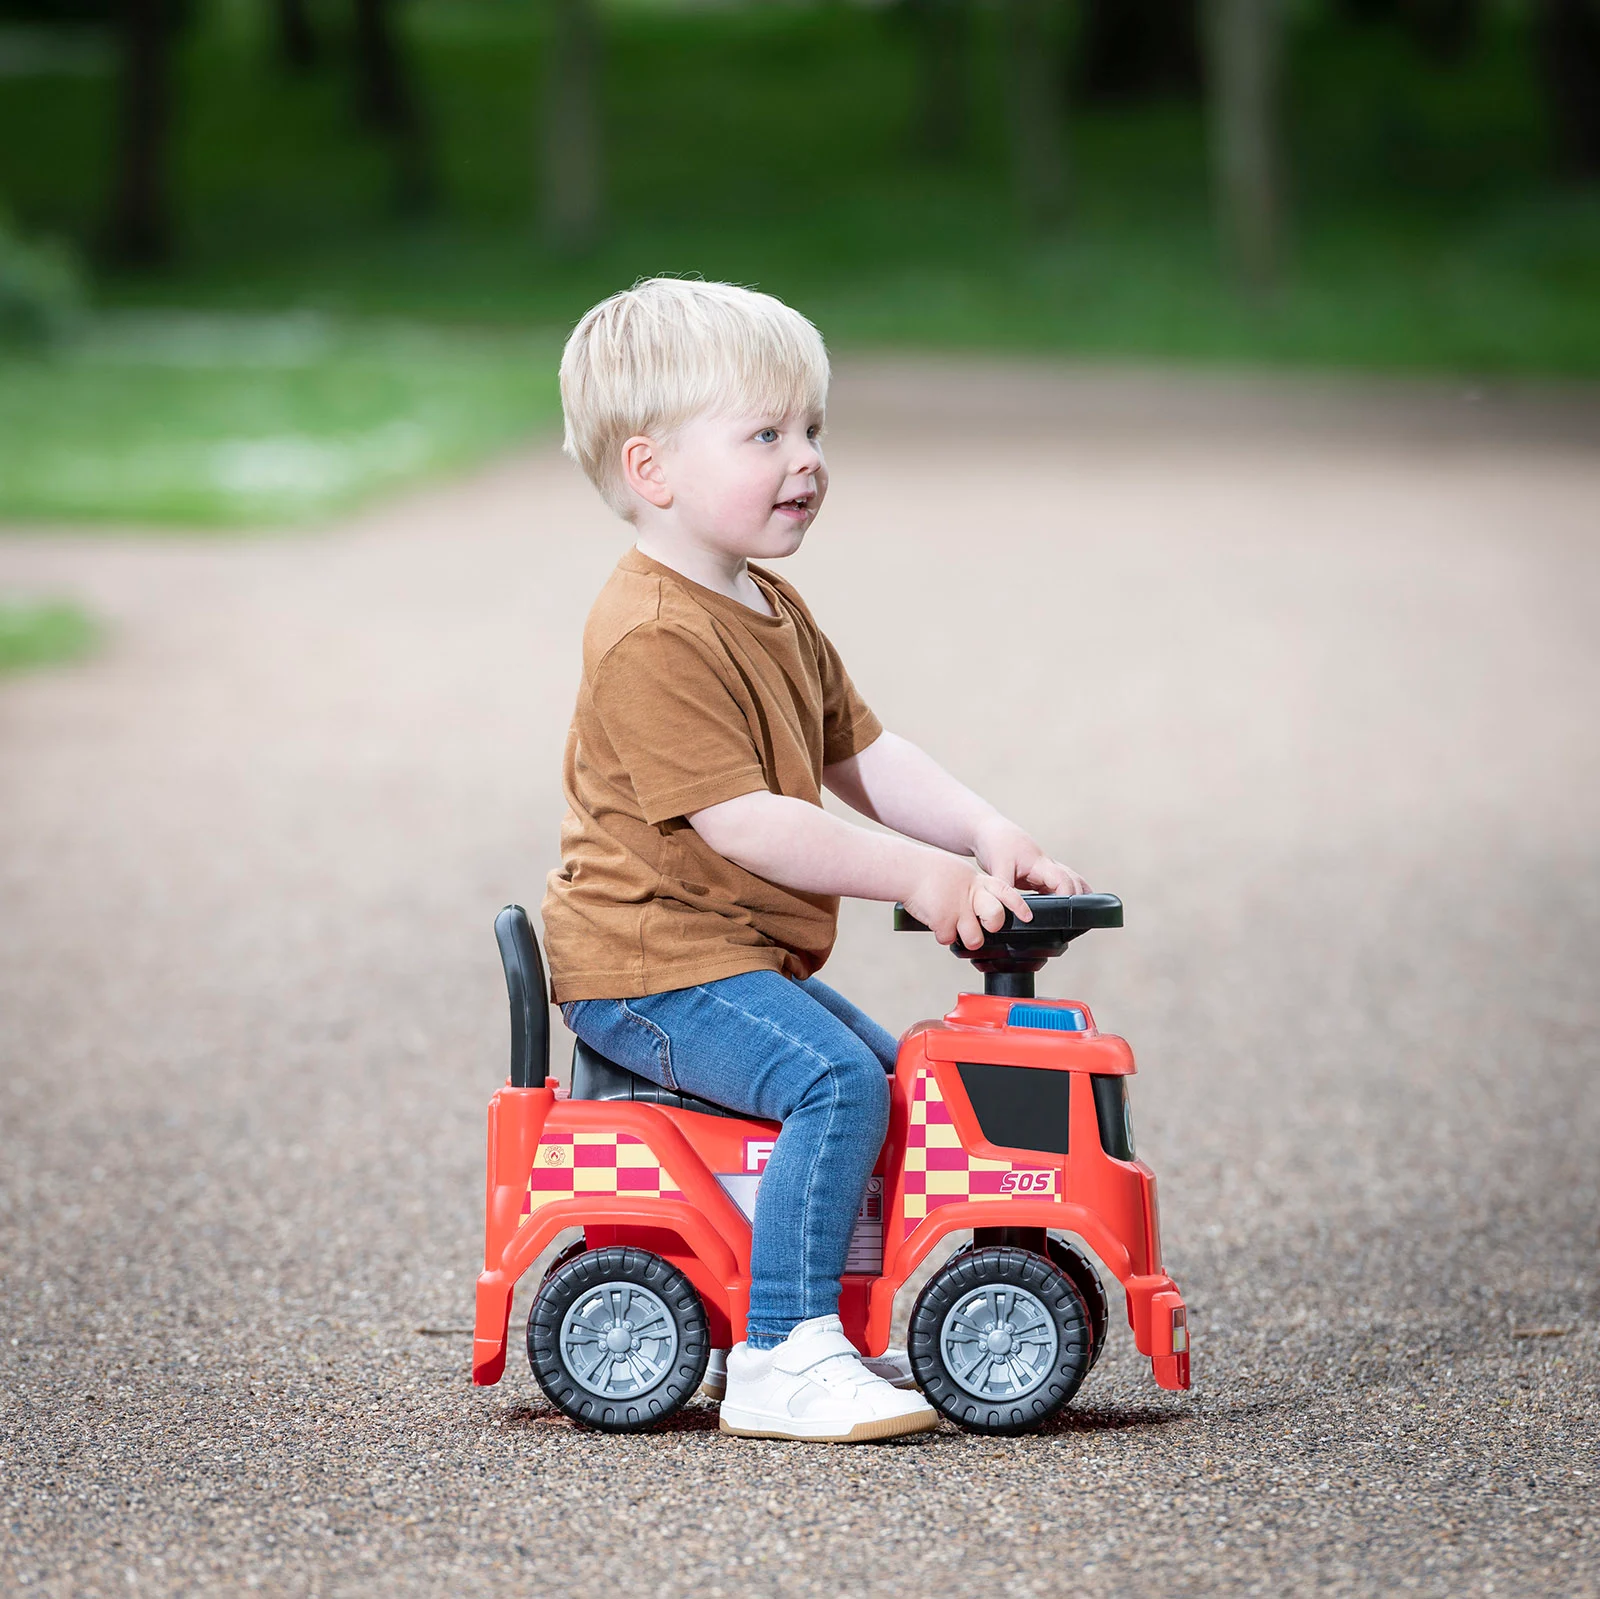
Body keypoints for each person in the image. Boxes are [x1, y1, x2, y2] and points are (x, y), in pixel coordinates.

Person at [542, 277, 1088, 1443]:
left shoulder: (767, 605)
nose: (806, 460)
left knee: (892, 1079)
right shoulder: (651, 632)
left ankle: (837, 1314)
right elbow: (742, 821)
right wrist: (915, 879)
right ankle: (784, 1350)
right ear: (654, 472)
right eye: (765, 435)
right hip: (651, 966)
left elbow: (866, 754)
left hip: (720, 955)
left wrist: (983, 832)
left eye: (812, 430)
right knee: (832, 1085)